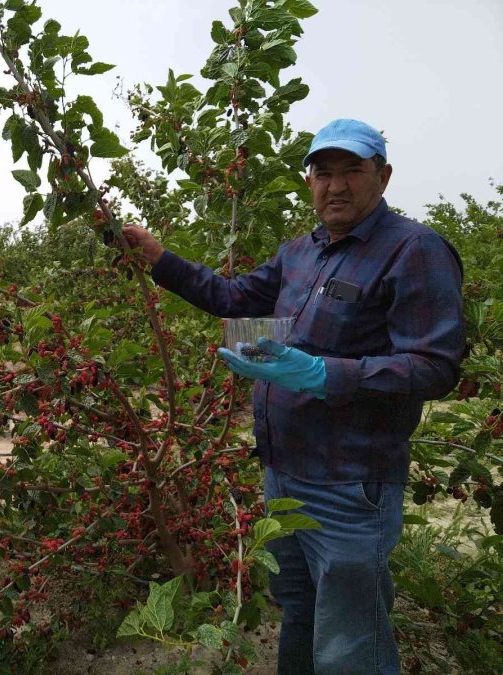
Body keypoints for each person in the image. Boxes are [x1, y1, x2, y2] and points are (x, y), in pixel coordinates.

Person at [124, 118, 465, 674]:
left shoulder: (413, 250)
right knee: (300, 614)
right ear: (309, 182)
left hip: (352, 486)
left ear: (383, 176)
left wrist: (323, 374)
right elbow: (233, 298)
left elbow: (435, 366)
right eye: (323, 172)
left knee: (352, 641)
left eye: (352, 170)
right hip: (284, 474)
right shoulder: (300, 253)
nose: (336, 185)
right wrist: (161, 259)